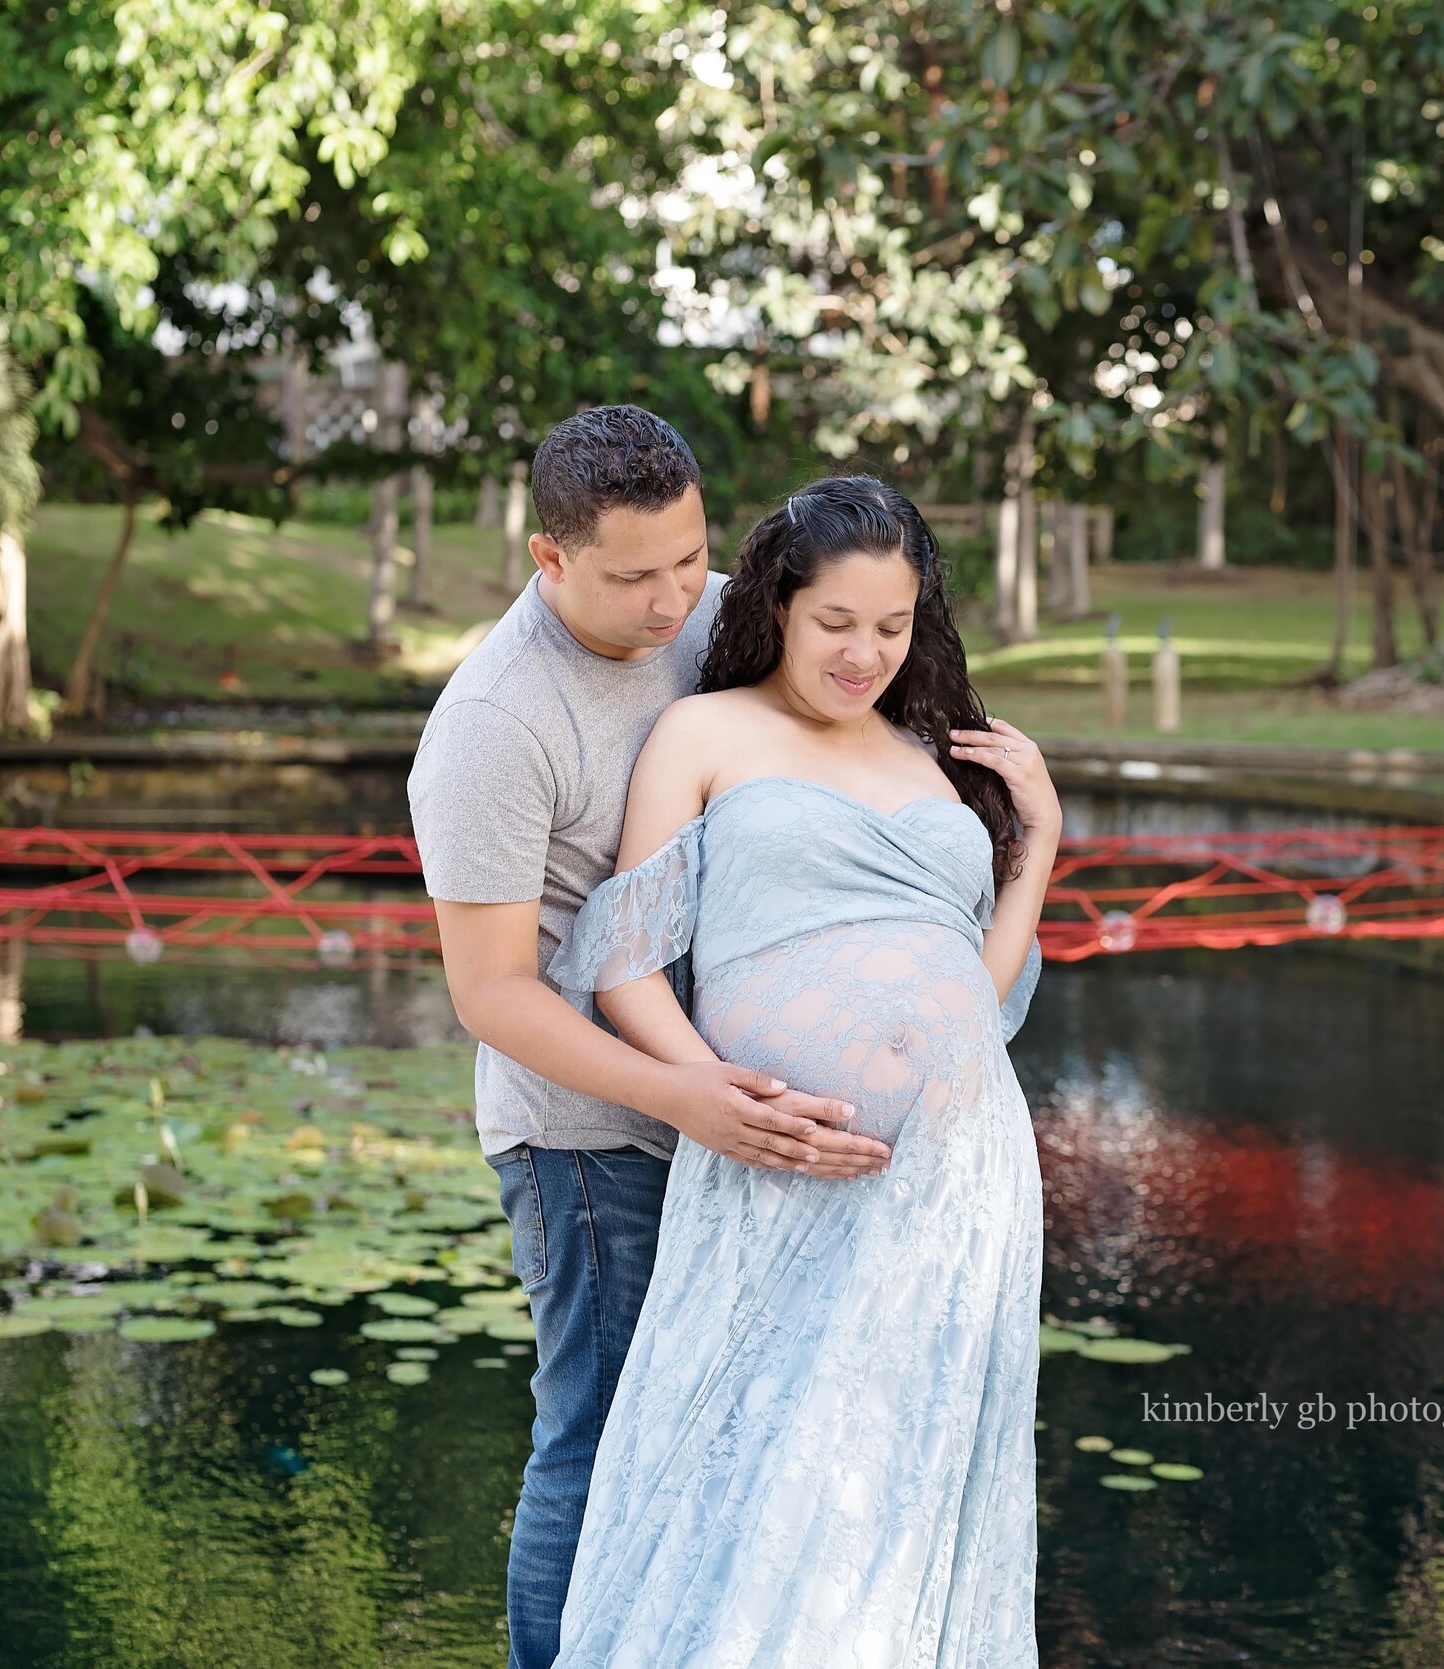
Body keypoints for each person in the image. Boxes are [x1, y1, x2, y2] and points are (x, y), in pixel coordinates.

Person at [408, 408, 894, 1669]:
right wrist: (685, 1094)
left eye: (692, 555)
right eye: (636, 575)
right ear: (548, 557)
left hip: (736, 1105)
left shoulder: (719, 615)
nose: (678, 595)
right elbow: (494, 992)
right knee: (600, 1426)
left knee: (729, 1425)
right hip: (585, 1138)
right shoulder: (493, 726)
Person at [543, 475, 1057, 1667]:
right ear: (777, 602)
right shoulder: (704, 732)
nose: (864, 653)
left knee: (897, 1486)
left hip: (955, 1182)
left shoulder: (931, 754)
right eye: (836, 623)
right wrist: (714, 1097)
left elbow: (967, 1002)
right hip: (771, 1159)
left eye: (892, 625)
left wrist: (1038, 850)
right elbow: (623, 968)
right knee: (756, 1469)